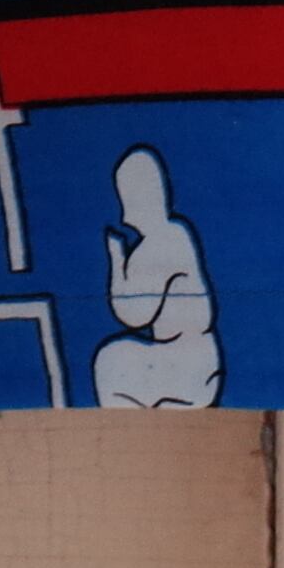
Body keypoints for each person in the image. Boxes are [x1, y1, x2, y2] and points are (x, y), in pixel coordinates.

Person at [92, 147, 221, 408]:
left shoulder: (159, 243)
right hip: (202, 363)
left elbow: (132, 313)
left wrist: (117, 259)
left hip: (186, 366)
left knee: (110, 359)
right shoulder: (177, 233)